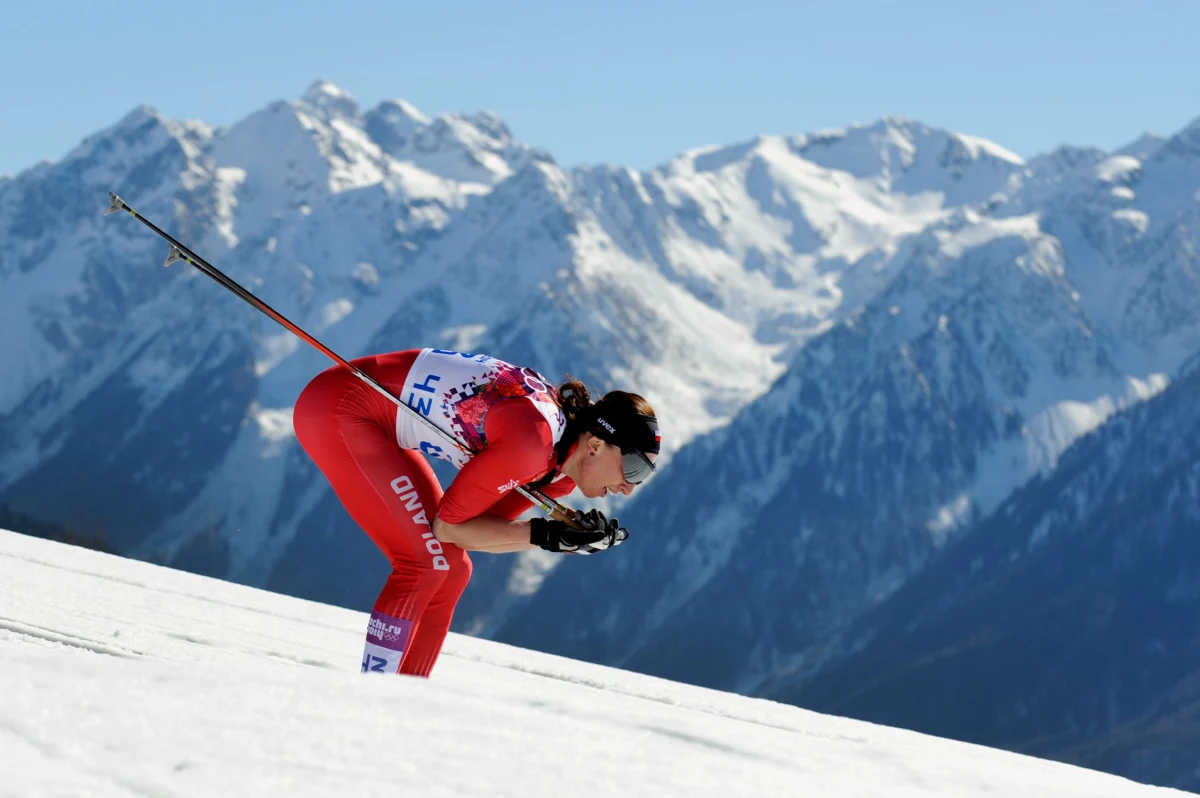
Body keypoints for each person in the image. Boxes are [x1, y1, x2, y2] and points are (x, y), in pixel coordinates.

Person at [292, 347, 660, 678]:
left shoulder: (559, 473)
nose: (630, 487)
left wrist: (561, 538)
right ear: (595, 444)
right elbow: (449, 528)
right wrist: (548, 536)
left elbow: (474, 528)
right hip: (339, 408)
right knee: (424, 564)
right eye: (633, 469)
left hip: (376, 421)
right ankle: (372, 699)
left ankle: (406, 699)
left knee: (453, 569)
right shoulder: (534, 444)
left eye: (643, 476)